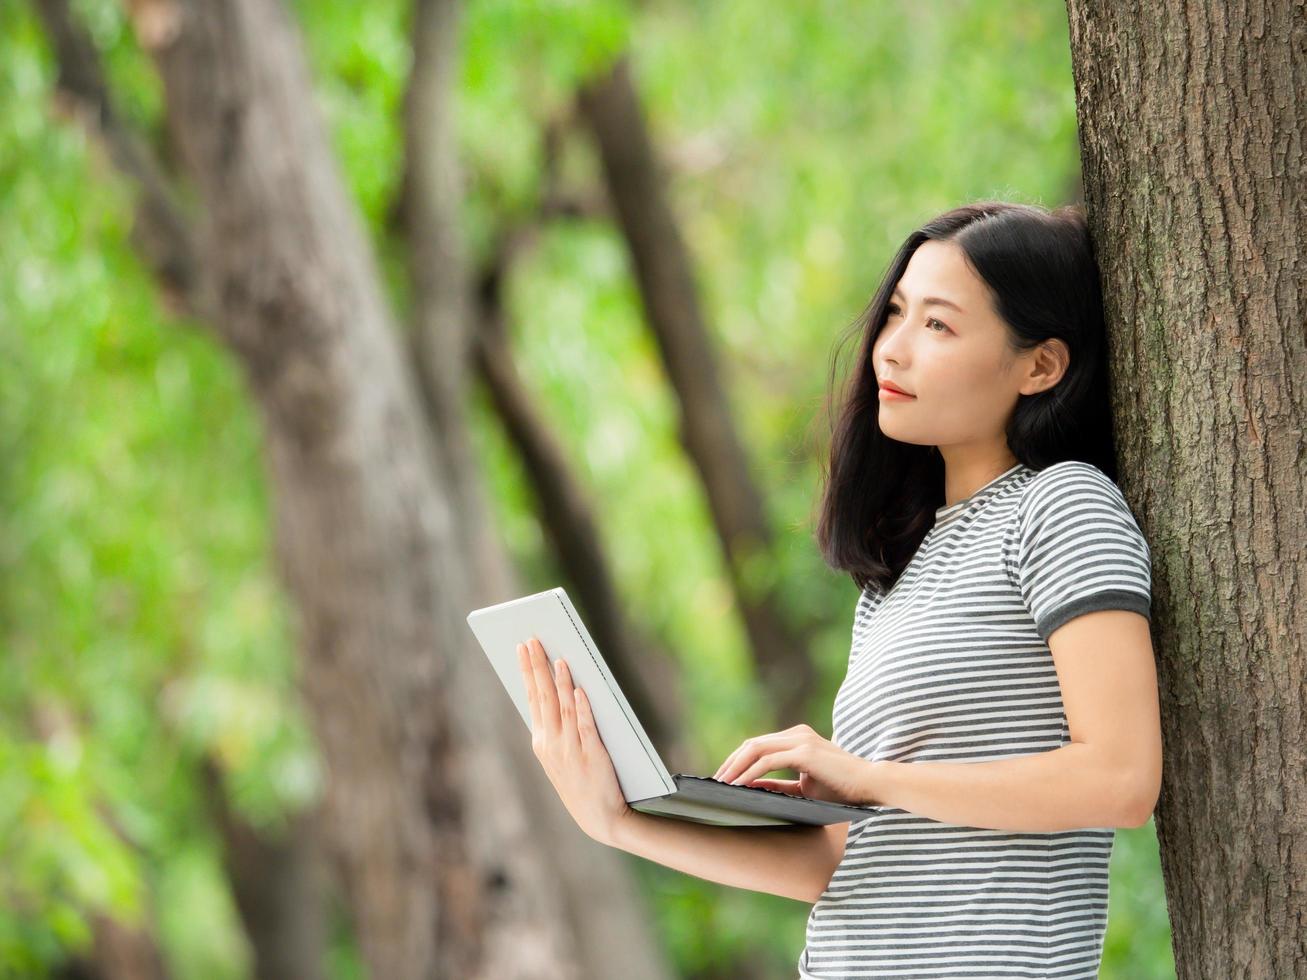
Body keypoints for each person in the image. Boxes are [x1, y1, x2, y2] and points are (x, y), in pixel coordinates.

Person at [516, 200, 1162, 979]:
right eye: (894, 314)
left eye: (938, 326)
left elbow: (1121, 779)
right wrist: (618, 821)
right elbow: (841, 862)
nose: (889, 351)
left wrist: (869, 778)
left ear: (1040, 365)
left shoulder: (1059, 506)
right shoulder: (900, 571)